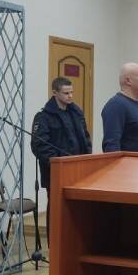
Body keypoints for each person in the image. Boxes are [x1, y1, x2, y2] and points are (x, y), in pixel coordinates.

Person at [31, 77, 92, 239]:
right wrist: (62, 163)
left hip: (79, 171)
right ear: (55, 93)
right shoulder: (43, 117)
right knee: (57, 212)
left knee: (78, 211)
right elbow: (39, 146)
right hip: (57, 173)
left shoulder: (76, 112)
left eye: (71, 92)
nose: (70, 96)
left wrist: (87, 159)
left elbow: (85, 138)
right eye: (66, 93)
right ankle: (55, 245)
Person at [101, 62, 138, 153]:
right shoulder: (116, 105)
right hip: (130, 163)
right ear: (128, 81)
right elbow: (111, 146)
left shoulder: (136, 104)